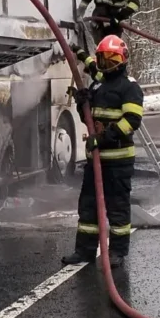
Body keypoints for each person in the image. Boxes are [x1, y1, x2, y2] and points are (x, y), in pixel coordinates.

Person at [62, 35, 144, 269]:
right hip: (95, 160)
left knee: (117, 208)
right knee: (88, 207)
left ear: (122, 60)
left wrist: (103, 139)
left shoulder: (129, 87)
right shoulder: (99, 83)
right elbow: (89, 119)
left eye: (110, 60)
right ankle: (84, 251)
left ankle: (117, 252)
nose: (105, 65)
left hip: (118, 161)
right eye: (102, 60)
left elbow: (132, 121)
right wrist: (81, 104)